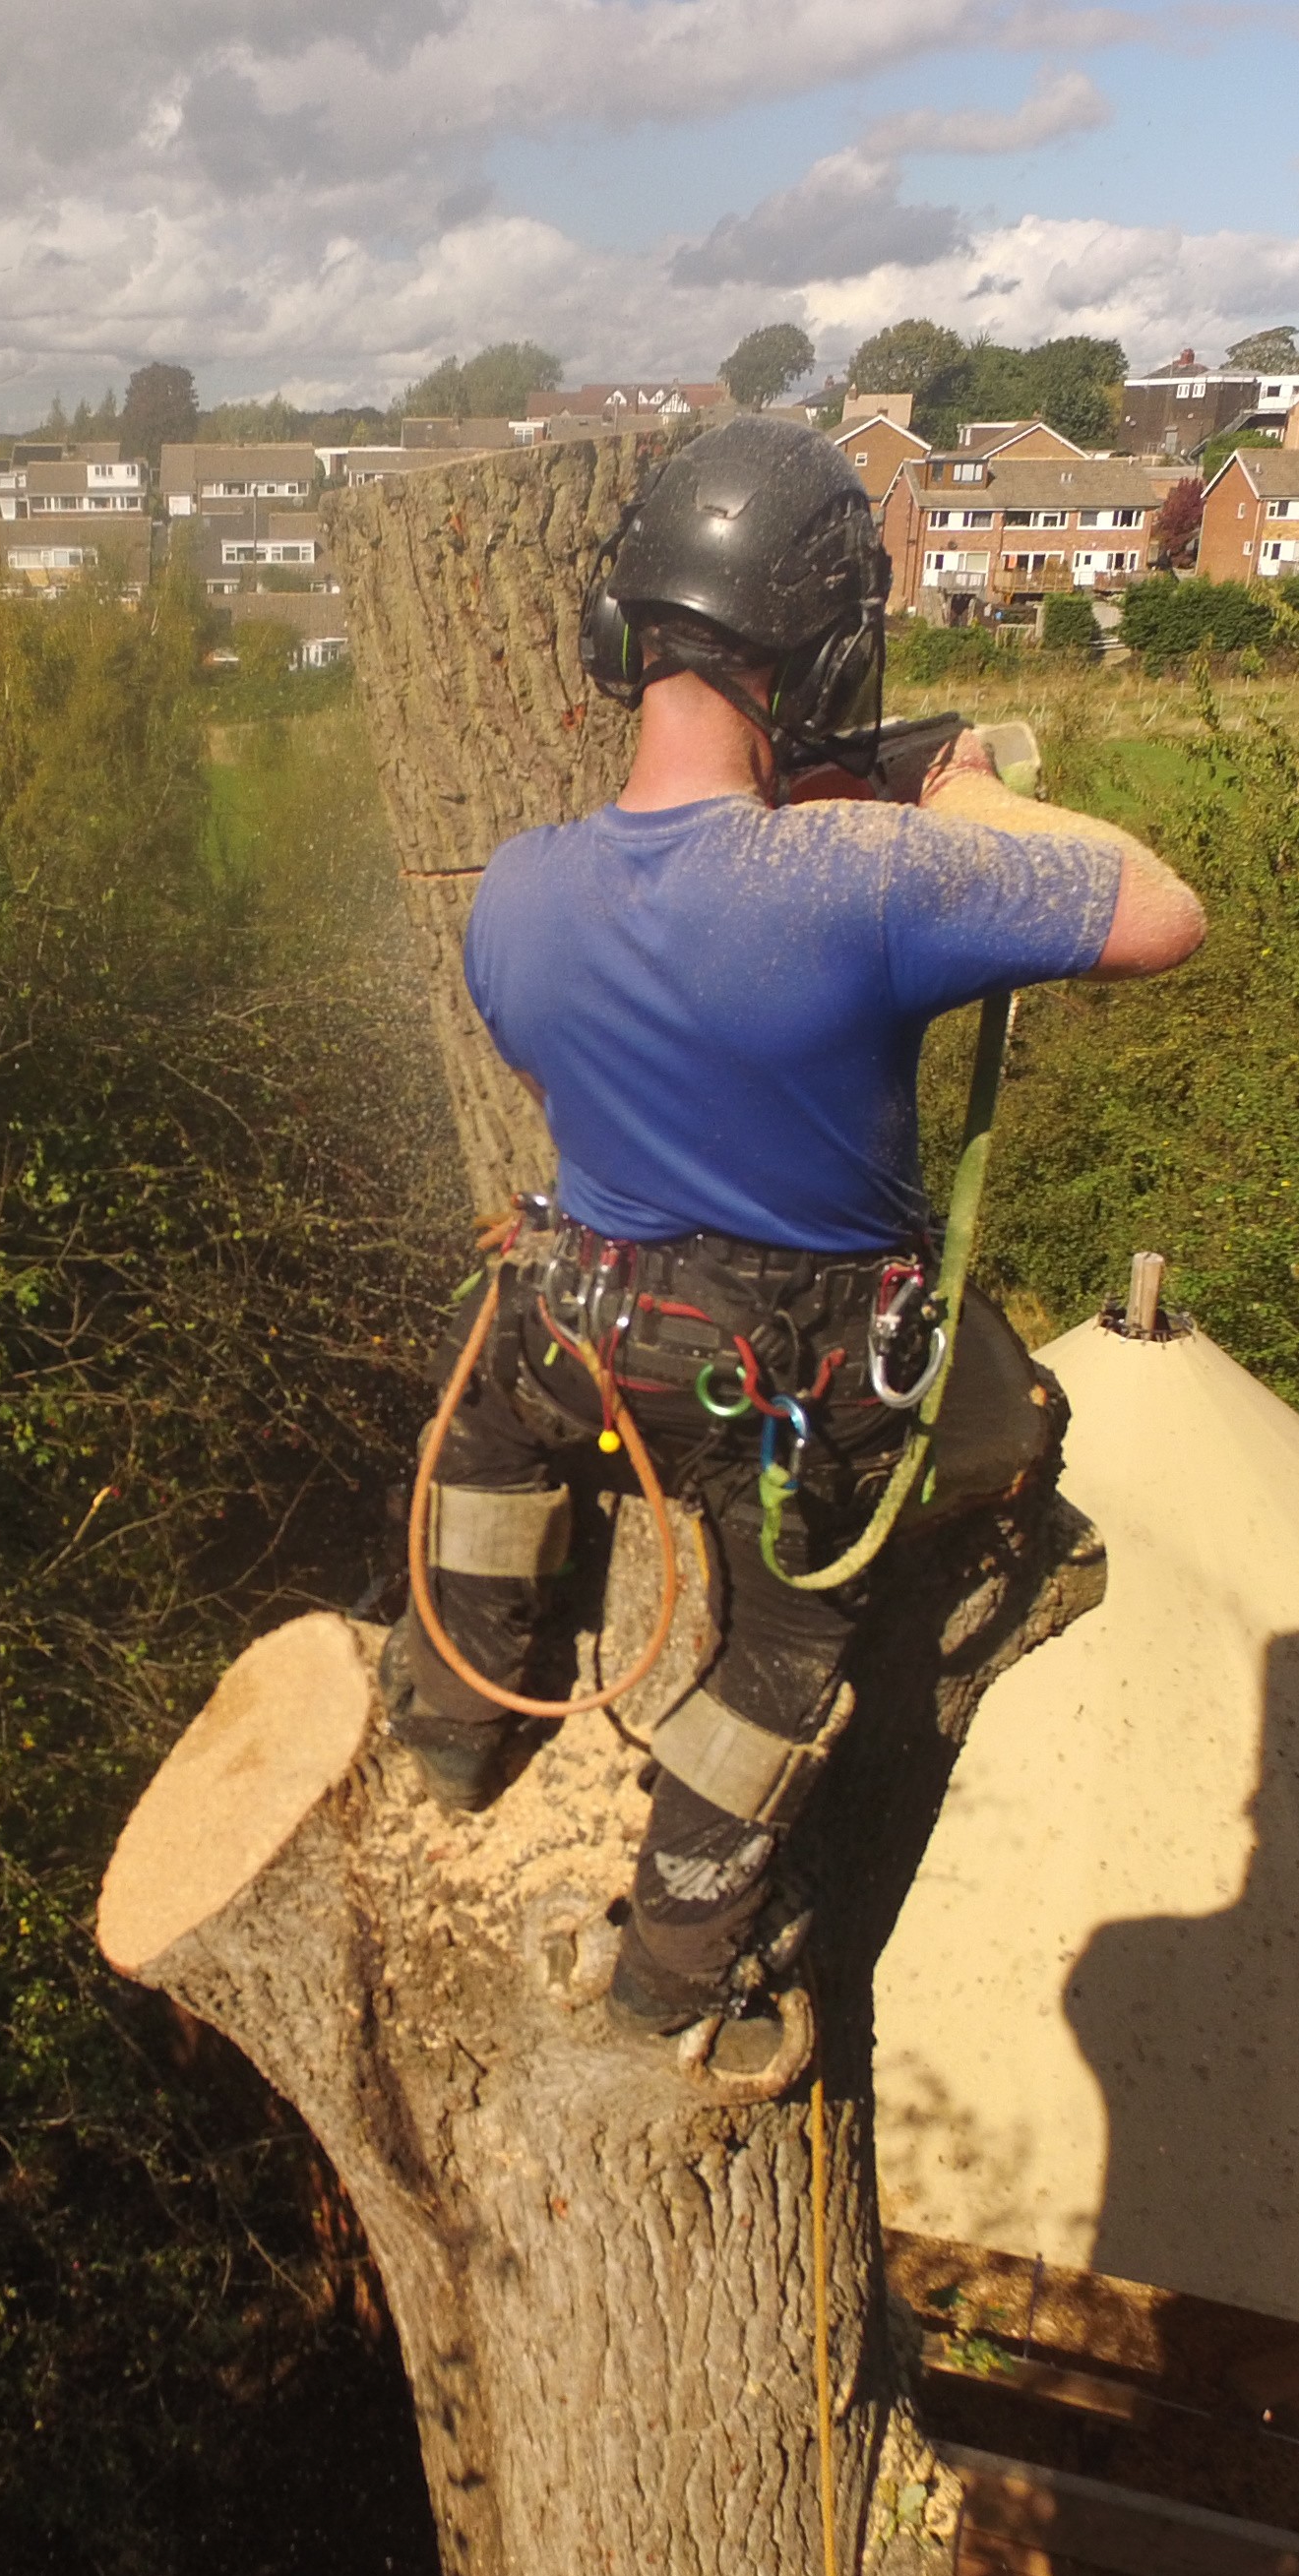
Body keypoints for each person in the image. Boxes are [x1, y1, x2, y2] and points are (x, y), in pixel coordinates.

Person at [380, 414, 1206, 2033]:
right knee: (782, 1654)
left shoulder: (516, 888)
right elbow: (1163, 913)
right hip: (790, 1386)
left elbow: (586, 1054)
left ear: (625, 637)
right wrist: (955, 791)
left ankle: (450, 1728)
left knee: (484, 1425)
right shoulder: (863, 873)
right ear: (826, 658)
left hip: (591, 1328)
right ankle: (676, 1976)